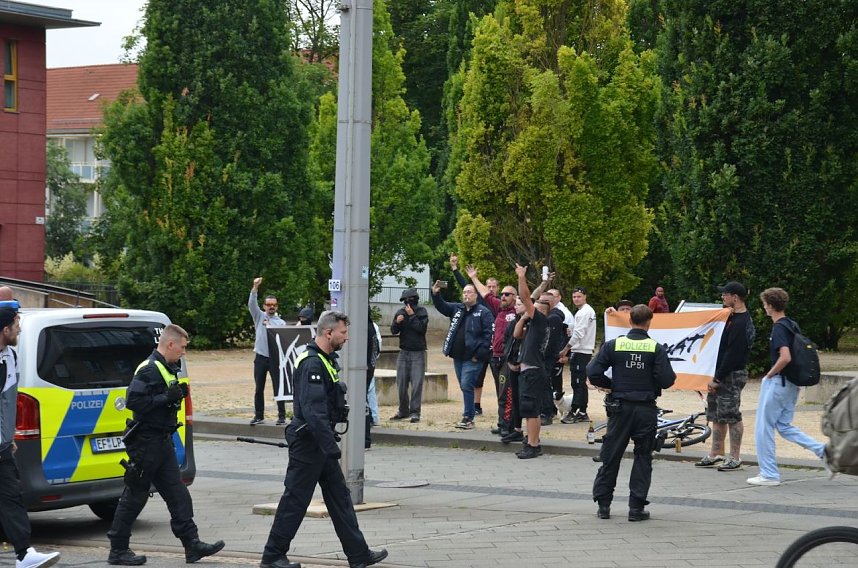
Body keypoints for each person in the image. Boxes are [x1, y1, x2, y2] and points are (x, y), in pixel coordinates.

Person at [260, 311, 388, 568]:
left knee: (340, 499)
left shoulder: (324, 359)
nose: (347, 337)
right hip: (310, 443)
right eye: (343, 332)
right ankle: (272, 556)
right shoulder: (312, 363)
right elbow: (313, 410)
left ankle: (358, 554)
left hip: (320, 441)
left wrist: (329, 445)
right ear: (328, 333)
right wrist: (331, 447)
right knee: (295, 500)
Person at [107, 324, 224, 565]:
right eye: (181, 347)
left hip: (161, 442)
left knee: (178, 495)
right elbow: (134, 401)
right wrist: (166, 398)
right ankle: (118, 549)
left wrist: (174, 395)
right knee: (135, 496)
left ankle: (192, 545)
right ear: (169, 344)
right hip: (146, 442)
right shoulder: (149, 369)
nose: (183, 352)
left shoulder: (165, 367)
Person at [588, 304, 676, 521]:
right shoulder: (656, 348)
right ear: (649, 322)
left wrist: (611, 384)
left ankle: (604, 506)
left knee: (611, 455)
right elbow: (667, 380)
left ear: (630, 321)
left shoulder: (614, 345)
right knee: (643, 456)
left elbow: (592, 371)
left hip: (620, 408)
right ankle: (636, 508)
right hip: (645, 409)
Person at [0, 305, 62, 568]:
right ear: (5, 330)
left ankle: (24, 554)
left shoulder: (10, 357)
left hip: (1, 446)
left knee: (12, 496)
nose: (20, 329)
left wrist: (7, 435)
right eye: (16, 324)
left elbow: (7, 401)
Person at [748, 288, 826, 487]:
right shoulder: (792, 324)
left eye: (765, 303)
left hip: (779, 382)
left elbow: (785, 357)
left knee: (763, 428)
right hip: (791, 384)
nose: (764, 307)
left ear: (771, 305)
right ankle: (822, 451)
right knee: (784, 426)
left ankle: (769, 473)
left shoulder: (779, 328)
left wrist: (769, 374)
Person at [695, 282, 755, 472]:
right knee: (717, 415)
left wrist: (718, 378)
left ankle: (735, 457)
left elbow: (733, 355)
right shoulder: (728, 317)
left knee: (731, 414)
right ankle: (715, 454)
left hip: (730, 375)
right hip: (719, 372)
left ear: (735, 298)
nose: (722, 297)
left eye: (725, 295)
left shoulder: (741, 322)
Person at [431, 278, 494, 429]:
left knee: (467, 384)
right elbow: (442, 307)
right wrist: (435, 294)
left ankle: (468, 417)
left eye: (469, 292)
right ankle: (469, 415)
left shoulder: (483, 312)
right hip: (457, 357)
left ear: (476, 295)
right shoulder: (457, 309)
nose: (466, 295)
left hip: (472, 358)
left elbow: (489, 336)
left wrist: (478, 355)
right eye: (464, 292)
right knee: (464, 385)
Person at [511, 264, 551, 458]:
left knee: (531, 410)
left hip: (533, 371)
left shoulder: (541, 321)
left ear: (540, 311)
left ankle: (533, 445)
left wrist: (521, 277)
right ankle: (531, 441)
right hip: (529, 370)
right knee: (528, 409)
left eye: (533, 308)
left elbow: (527, 298)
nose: (528, 307)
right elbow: (516, 334)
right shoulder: (532, 325)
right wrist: (522, 318)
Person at [249, 277, 288, 426]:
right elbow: (251, 304)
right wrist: (255, 287)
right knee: (259, 387)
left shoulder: (281, 322)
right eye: (268, 304)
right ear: (264, 306)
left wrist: (270, 324)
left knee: (279, 386)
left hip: (275, 358)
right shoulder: (259, 316)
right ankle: (259, 416)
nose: (271, 307)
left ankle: (282, 416)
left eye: (274, 305)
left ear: (277, 307)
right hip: (260, 356)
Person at [390, 288, 429, 423]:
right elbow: (393, 331)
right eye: (405, 301)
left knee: (417, 384)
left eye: (409, 300)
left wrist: (412, 315)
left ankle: (415, 412)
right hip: (403, 352)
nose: (407, 303)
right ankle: (403, 410)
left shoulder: (422, 312)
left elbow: (421, 329)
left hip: (418, 352)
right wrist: (397, 322)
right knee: (401, 383)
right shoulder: (400, 312)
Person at [560, 286, 596, 423]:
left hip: (581, 350)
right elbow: (579, 331)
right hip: (581, 350)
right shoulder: (583, 312)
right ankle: (582, 411)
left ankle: (576, 411)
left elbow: (579, 333)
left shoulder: (585, 312)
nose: (576, 299)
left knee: (578, 382)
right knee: (579, 383)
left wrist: (566, 348)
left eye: (579, 296)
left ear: (585, 296)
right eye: (574, 297)